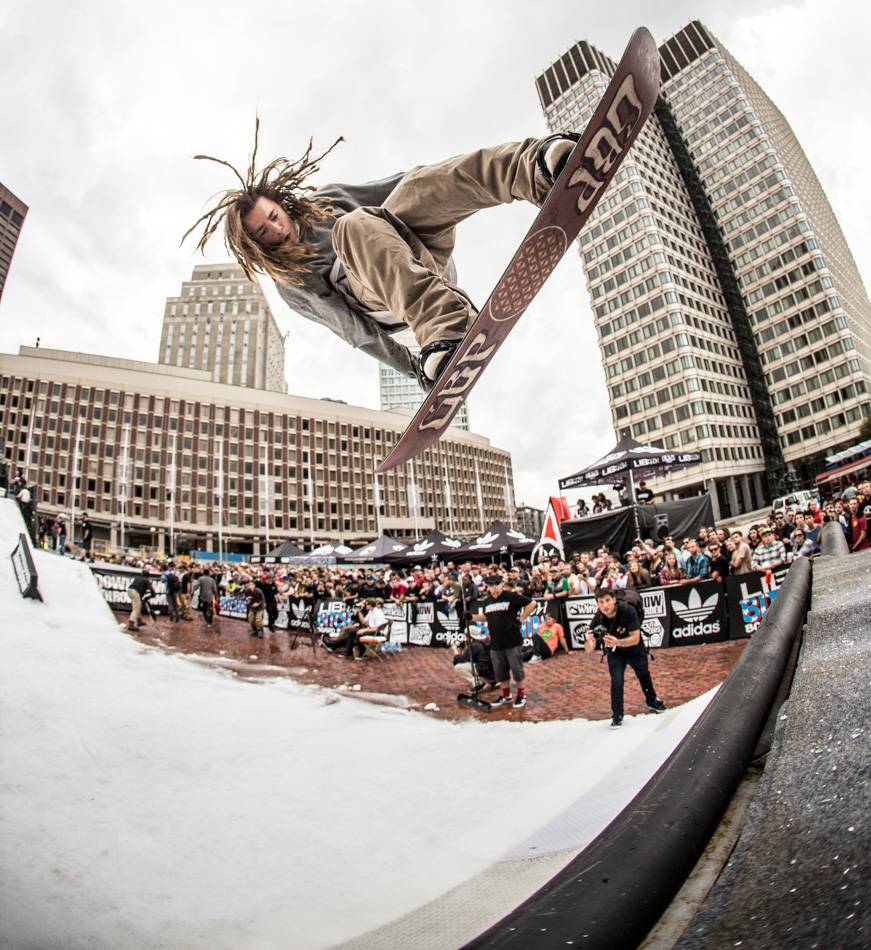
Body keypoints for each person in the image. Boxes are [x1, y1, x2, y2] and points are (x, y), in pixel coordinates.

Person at [184, 124, 580, 388]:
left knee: (420, 183)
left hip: (425, 262)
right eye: (262, 232)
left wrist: (429, 183)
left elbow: (402, 187)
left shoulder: (328, 200)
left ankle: (539, 167)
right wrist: (415, 369)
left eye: (272, 217)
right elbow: (353, 331)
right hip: (390, 305)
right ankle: (445, 327)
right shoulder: (293, 283)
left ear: (284, 206)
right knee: (352, 228)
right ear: (256, 244)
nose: (274, 229)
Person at [585, 587, 666, 728]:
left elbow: (635, 638)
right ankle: (617, 714)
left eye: (608, 600)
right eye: (601, 602)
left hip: (634, 649)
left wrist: (618, 641)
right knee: (617, 681)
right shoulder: (598, 617)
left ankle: (652, 700)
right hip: (615, 652)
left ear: (614, 600)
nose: (605, 605)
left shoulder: (628, 610)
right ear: (597, 604)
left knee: (643, 674)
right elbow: (588, 650)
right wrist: (590, 642)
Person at [471, 575, 536, 708]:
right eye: (490, 585)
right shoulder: (487, 601)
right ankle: (506, 695)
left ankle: (521, 694)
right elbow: (486, 617)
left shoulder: (510, 596)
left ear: (502, 584)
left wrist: (521, 619)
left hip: (512, 640)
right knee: (500, 672)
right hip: (495, 642)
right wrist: (471, 617)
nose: (493, 587)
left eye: (496, 584)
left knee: (516, 669)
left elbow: (532, 603)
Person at [450, 627, 497, 693]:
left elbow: (460, 660)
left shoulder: (475, 645)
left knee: (458, 667)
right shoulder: (484, 642)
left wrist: (455, 649)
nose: (465, 638)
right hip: (494, 674)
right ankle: (493, 682)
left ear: (470, 636)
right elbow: (471, 658)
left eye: (466, 635)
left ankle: (479, 683)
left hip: (485, 673)